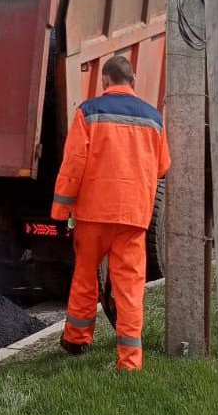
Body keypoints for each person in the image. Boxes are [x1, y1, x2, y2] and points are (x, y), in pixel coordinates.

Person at [50, 54, 170, 371]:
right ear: (133, 80)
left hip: (93, 213)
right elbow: (162, 167)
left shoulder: (88, 112)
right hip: (133, 215)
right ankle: (130, 359)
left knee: (86, 274)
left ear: (104, 80)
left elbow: (73, 165)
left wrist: (61, 212)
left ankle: (76, 338)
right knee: (129, 286)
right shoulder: (153, 118)